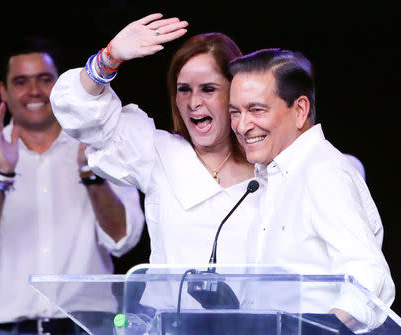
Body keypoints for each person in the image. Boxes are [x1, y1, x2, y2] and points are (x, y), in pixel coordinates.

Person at [0, 36, 145, 334]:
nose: (34, 91)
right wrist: (2, 175)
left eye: (45, 79)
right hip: (0, 326)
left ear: (61, 85)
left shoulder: (100, 147)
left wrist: (89, 173)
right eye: (21, 82)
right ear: (3, 90)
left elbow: (124, 240)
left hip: (87, 324)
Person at [50, 13, 258, 267]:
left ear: (234, 92)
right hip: (170, 307)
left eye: (208, 89)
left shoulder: (267, 166)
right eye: (184, 90)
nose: (194, 103)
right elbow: (82, 114)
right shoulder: (159, 154)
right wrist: (109, 58)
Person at [228, 48, 395, 331]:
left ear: (300, 110)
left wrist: (320, 330)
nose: (242, 126)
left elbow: (369, 274)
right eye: (235, 112)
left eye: (256, 110)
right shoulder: (271, 178)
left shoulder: (322, 171)